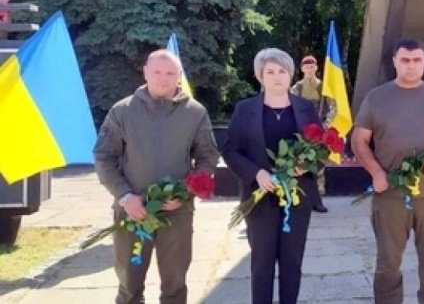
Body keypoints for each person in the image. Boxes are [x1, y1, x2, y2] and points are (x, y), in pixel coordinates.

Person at [94, 49, 220, 304]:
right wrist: (125, 196)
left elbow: (208, 157)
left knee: (175, 286)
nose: (163, 79)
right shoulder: (122, 111)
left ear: (179, 76)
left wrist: (185, 193)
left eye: (170, 73)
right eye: (157, 72)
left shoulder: (195, 113)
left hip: (176, 212)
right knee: (129, 286)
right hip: (132, 212)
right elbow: (104, 157)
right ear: (145, 73)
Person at [352, 37, 424, 304]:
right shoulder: (376, 98)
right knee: (388, 266)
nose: (411, 66)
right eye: (405, 60)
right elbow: (359, 141)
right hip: (391, 195)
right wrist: (377, 173)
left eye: (417, 60)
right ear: (394, 62)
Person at [222, 48, 322, 304]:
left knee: (292, 262)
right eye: (270, 72)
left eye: (282, 71)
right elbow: (231, 151)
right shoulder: (245, 110)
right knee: (262, 263)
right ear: (260, 76)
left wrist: (306, 165)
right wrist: (257, 173)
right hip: (260, 197)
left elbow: (321, 148)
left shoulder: (305, 108)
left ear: (290, 75)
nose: (277, 77)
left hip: (297, 197)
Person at [290, 55, 336, 212]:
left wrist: (325, 125)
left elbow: (333, 108)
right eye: (306, 66)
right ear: (302, 69)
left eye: (312, 66)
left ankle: (318, 199)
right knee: (300, 164)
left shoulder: (324, 88)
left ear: (316, 68)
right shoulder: (296, 88)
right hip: (301, 132)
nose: (309, 69)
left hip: (319, 131)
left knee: (318, 165)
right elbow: (291, 106)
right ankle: (300, 198)